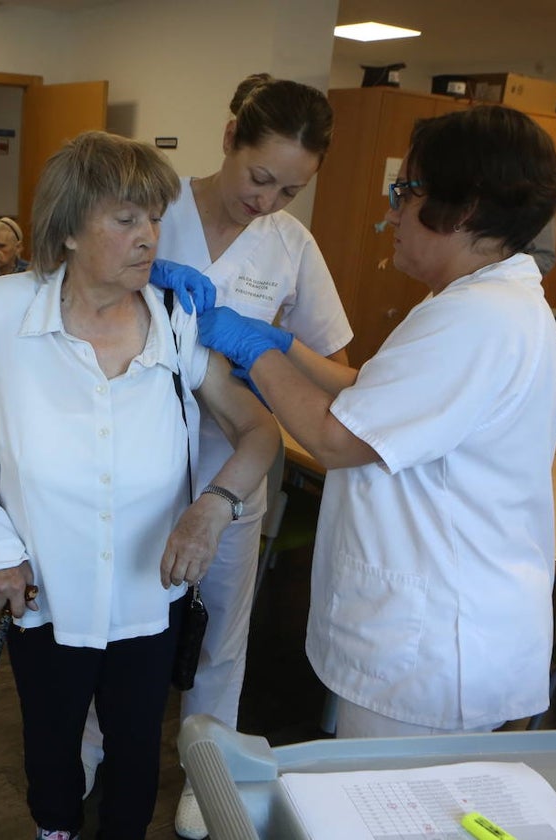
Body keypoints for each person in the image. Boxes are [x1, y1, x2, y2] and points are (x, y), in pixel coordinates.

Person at [0, 130, 278, 840]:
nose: (148, 236)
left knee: (138, 744)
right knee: (51, 743)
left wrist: (213, 507)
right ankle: (55, 830)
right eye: (126, 219)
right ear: (70, 229)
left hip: (151, 594)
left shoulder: (174, 321)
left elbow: (259, 429)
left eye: (152, 218)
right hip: (45, 587)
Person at [196, 105, 556, 741]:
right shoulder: (477, 301)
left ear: (465, 208)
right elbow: (375, 394)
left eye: (406, 192)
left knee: (389, 809)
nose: (391, 214)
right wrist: (283, 346)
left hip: (433, 642)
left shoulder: (479, 318)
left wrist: (255, 353)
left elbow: (338, 439)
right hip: (441, 622)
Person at [87, 72, 352, 839]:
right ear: (230, 136)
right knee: (117, 621)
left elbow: (333, 364)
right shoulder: (153, 212)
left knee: (221, 631)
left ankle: (210, 768)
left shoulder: (291, 246)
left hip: (236, 465)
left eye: (289, 191)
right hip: (129, 466)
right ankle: (92, 741)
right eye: (259, 176)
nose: (267, 202)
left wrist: (264, 342)